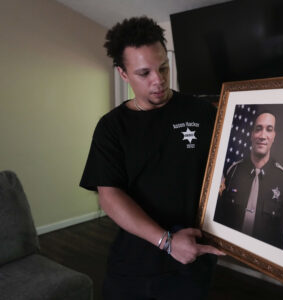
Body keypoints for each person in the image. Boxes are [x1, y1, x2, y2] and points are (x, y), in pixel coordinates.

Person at [80, 16, 224, 300]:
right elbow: (109, 196)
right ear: (123, 74)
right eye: (144, 73)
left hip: (192, 260)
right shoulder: (112, 127)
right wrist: (167, 242)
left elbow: (225, 170)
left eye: (164, 68)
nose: (158, 80)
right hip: (136, 265)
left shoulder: (202, 112)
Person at [214, 111, 283, 250]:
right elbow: (220, 217)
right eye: (258, 129)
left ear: (274, 136)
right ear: (252, 134)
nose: (263, 136)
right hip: (229, 252)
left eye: (269, 129)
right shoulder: (232, 171)